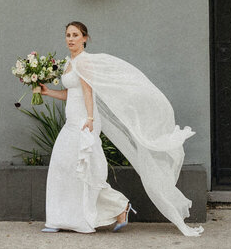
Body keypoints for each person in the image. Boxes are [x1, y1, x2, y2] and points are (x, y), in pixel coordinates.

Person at [35, 21, 204, 237]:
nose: (70, 39)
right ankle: (64, 217)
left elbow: (88, 93)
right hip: (73, 121)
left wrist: (89, 118)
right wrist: (49, 93)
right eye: (67, 34)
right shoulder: (70, 63)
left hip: (84, 121)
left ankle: (118, 206)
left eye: (75, 35)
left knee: (84, 169)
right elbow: (72, 94)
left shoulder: (84, 63)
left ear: (85, 38)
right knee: (64, 167)